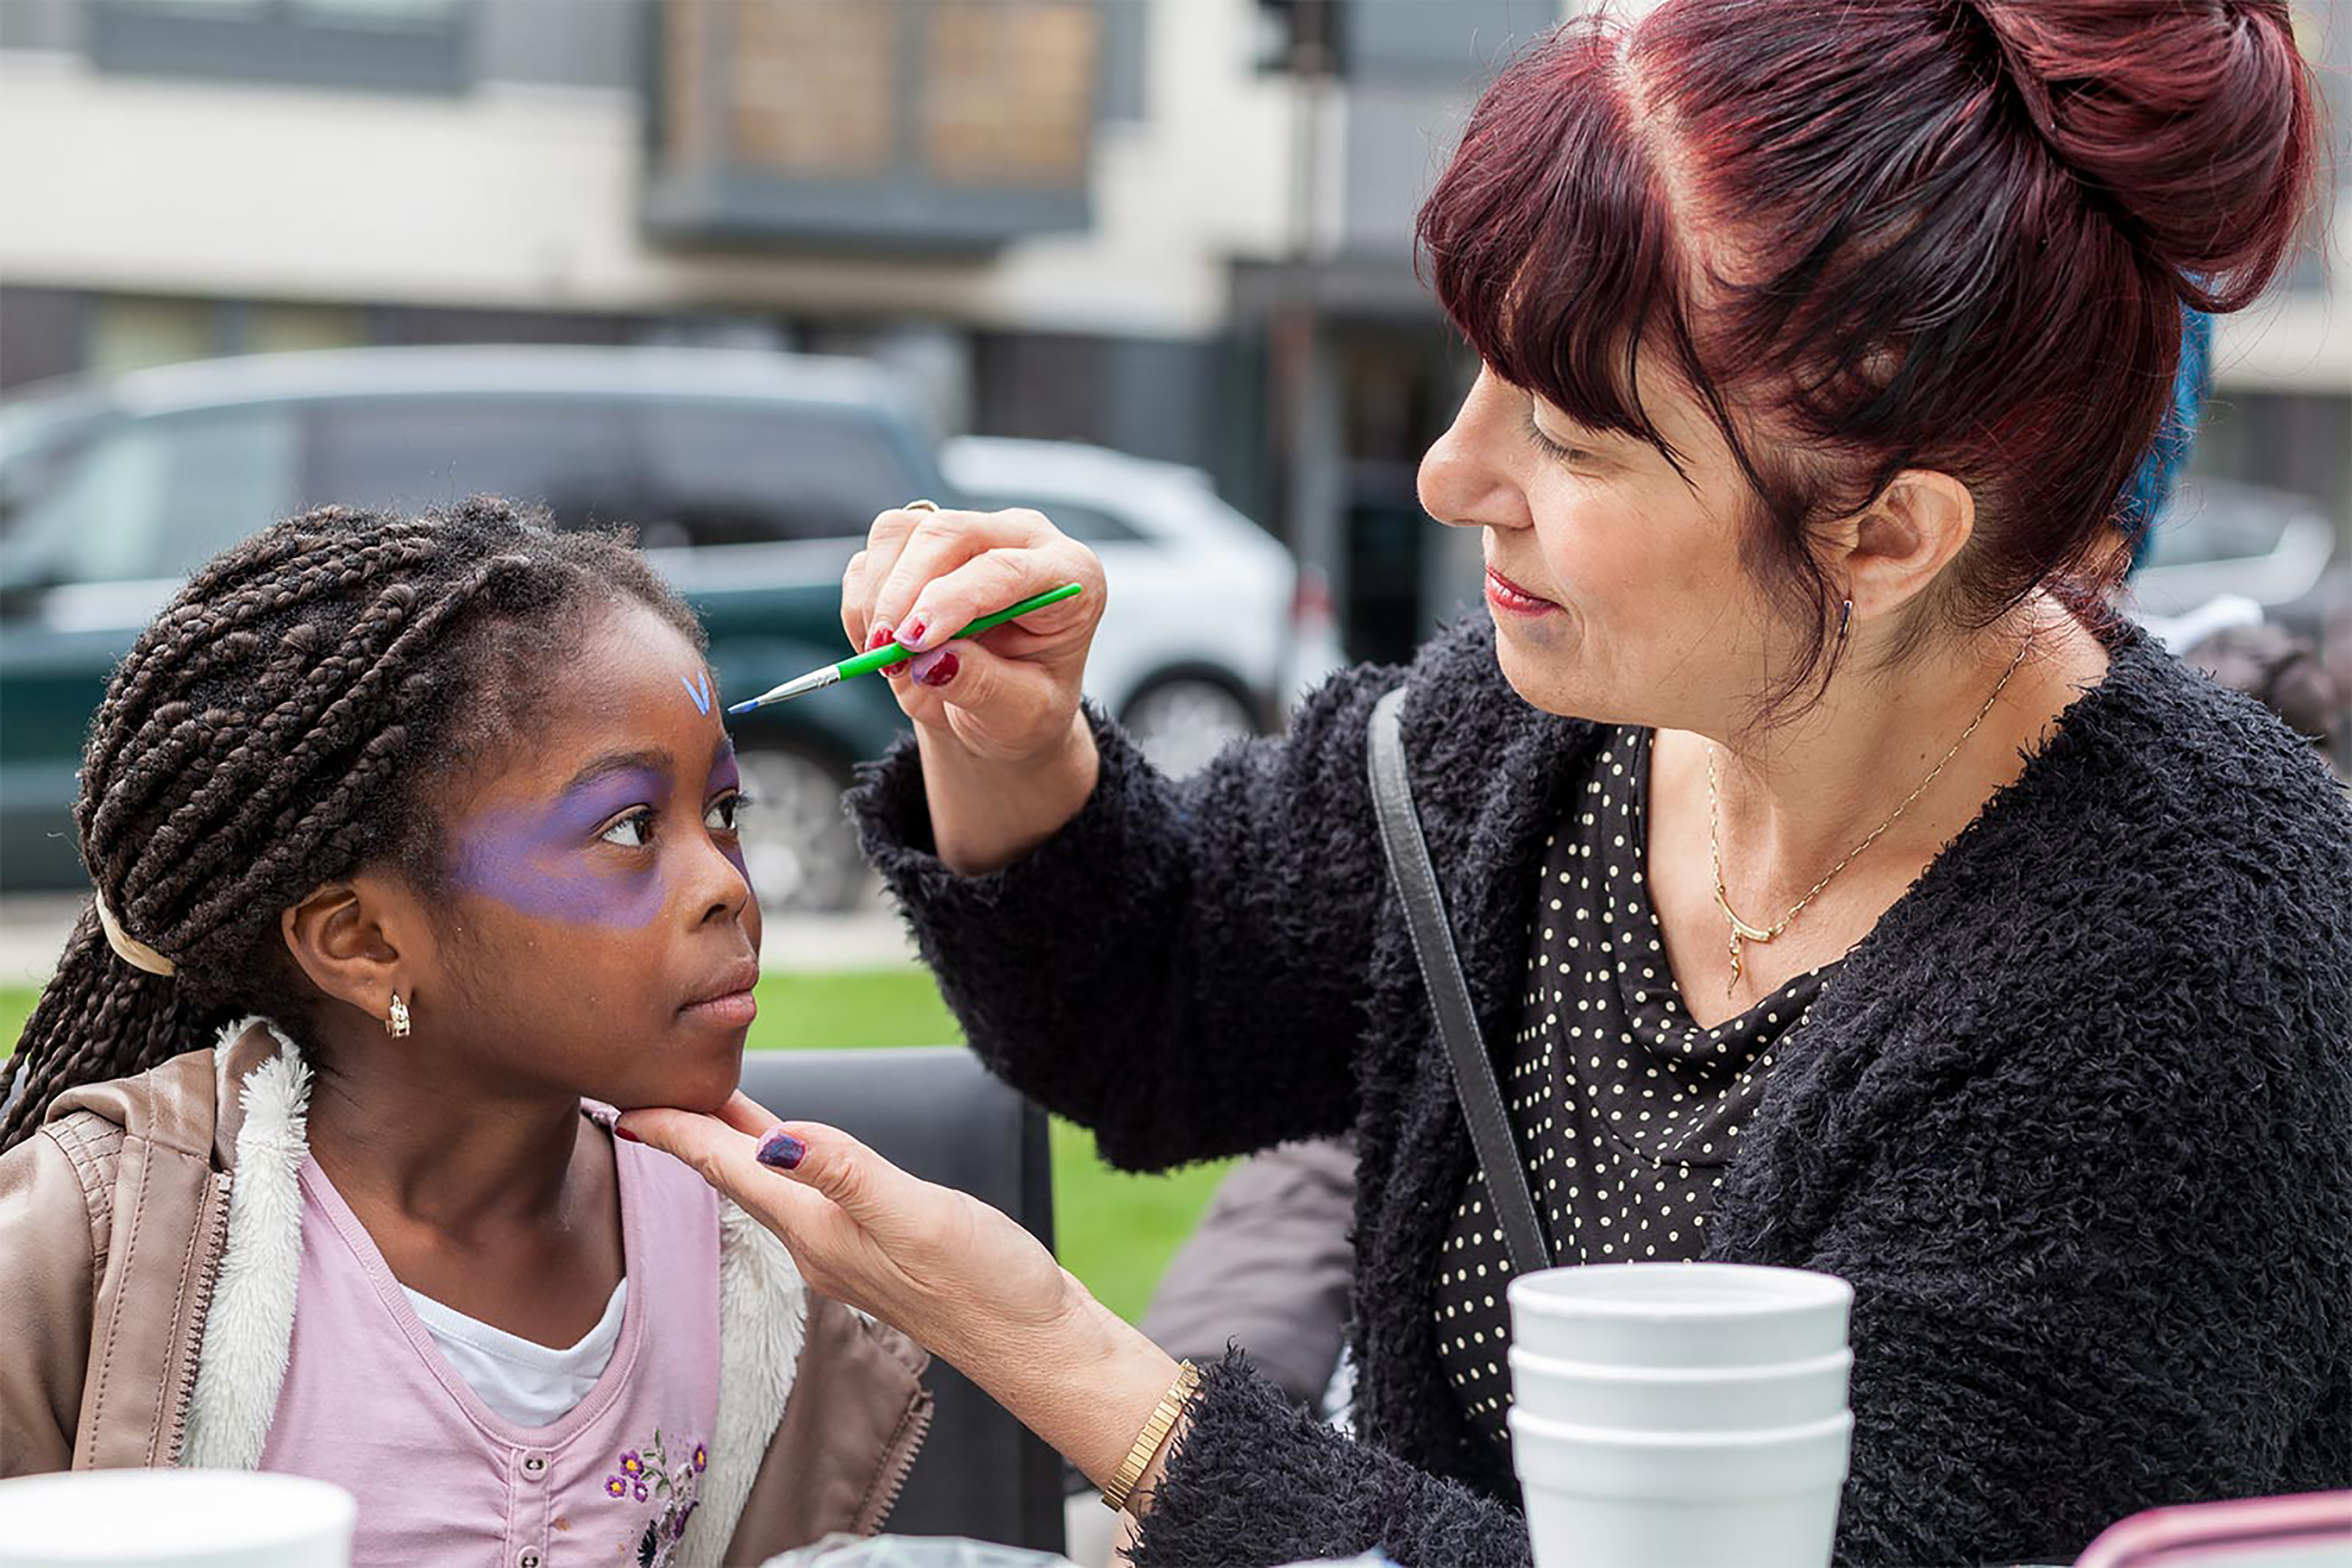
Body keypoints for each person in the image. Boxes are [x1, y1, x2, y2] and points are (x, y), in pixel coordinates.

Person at [630, 4, 2351, 1566]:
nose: (1456, 476)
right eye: (1478, 374)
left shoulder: (2189, 985)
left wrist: (1083, 1369)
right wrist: (1015, 748)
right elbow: (1159, 1013)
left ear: (1889, 530)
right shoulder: (1528, 743)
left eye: (1575, 438)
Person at [0, 501, 930, 1566]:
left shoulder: (748, 1262)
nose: (726, 885)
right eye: (630, 828)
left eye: (724, 813)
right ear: (363, 941)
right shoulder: (90, 1251)